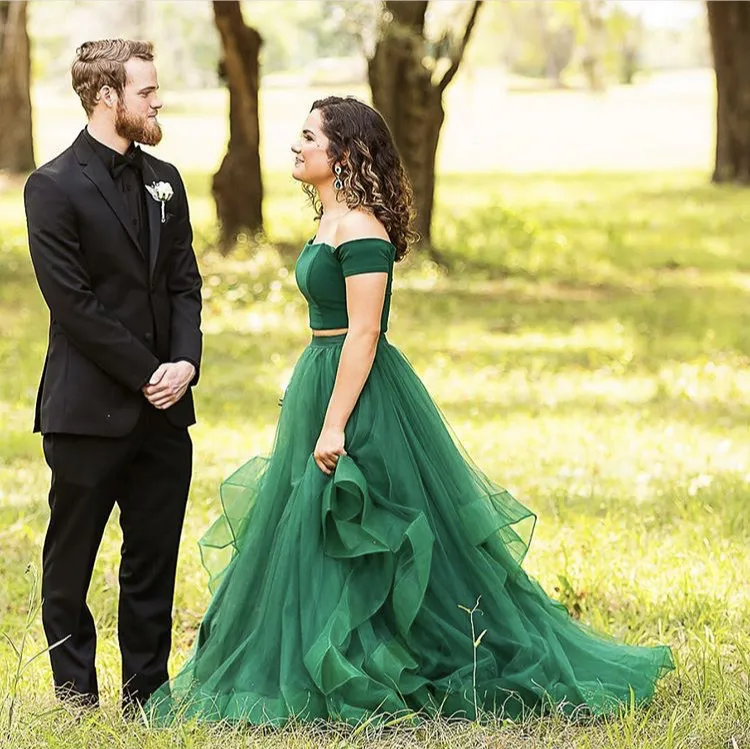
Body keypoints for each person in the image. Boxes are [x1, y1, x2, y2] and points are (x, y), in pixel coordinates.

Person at [148, 96, 671, 724]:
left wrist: (335, 420)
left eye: (308, 136)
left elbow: (364, 333)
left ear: (342, 156)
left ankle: (396, 661)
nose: (296, 145)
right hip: (325, 375)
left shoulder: (362, 229)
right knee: (314, 530)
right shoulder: (330, 220)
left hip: (362, 396)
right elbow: (332, 327)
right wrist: (311, 392)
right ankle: (328, 658)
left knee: (367, 527)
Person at [24, 39, 202, 711]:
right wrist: (148, 370)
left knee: (153, 559)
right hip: (86, 411)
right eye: (146, 92)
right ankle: (74, 697)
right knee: (70, 564)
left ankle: (146, 696)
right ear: (107, 97)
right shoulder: (51, 186)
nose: (158, 101)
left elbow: (186, 282)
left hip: (167, 409)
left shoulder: (167, 179)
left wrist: (184, 362)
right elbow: (74, 304)